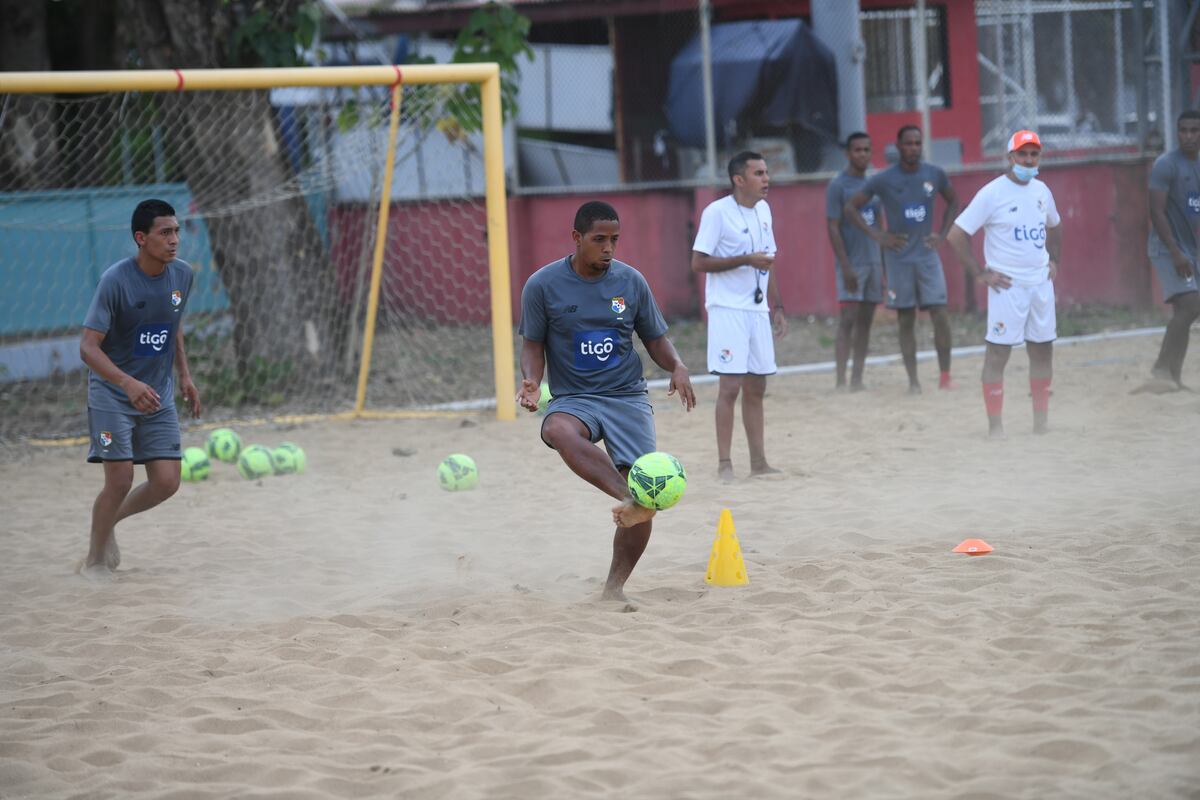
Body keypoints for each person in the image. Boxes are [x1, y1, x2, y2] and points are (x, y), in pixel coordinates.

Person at [517, 200, 696, 602]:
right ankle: (627, 497)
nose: (609, 248)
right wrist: (531, 379)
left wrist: (677, 365)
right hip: (577, 397)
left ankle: (613, 589)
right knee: (557, 428)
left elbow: (655, 338)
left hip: (627, 397)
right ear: (577, 238)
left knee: (648, 490)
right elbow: (532, 344)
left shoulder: (631, 282)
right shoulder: (542, 286)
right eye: (599, 239)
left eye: (615, 239)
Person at [79, 199, 201, 579]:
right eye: (165, 233)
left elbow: (172, 323)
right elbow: (87, 347)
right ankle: (95, 559)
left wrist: (184, 374)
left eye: (177, 231)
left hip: (158, 394)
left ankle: (109, 522)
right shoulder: (115, 281)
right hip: (113, 394)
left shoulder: (181, 275)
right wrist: (127, 383)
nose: (174, 240)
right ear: (141, 238)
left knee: (167, 482)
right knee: (120, 480)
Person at [947, 130, 1062, 437]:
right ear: (1010, 157)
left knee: (1042, 351)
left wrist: (1054, 261)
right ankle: (995, 427)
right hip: (1007, 287)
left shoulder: (1042, 191)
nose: (1028, 160)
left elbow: (1055, 225)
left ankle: (1041, 424)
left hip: (1040, 285)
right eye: (1022, 154)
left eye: (1033, 154)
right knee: (998, 353)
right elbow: (956, 235)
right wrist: (979, 273)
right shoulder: (992, 193)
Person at [691, 151, 787, 483]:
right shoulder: (716, 213)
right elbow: (698, 263)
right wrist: (745, 259)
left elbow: (769, 260)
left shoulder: (764, 210)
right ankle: (724, 464)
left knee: (757, 386)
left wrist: (778, 307)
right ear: (738, 179)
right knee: (729, 386)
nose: (766, 178)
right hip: (727, 310)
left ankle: (759, 462)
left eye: (766, 172)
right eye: (759, 173)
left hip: (757, 310)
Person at [846, 125, 960, 393]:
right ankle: (914, 382)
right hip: (898, 258)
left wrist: (942, 234)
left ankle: (945, 377)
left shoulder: (934, 173)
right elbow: (851, 208)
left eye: (918, 143)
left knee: (940, 314)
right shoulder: (883, 179)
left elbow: (954, 202)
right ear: (898, 147)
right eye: (908, 143)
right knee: (906, 318)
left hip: (927, 256)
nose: (913, 148)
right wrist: (879, 236)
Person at [1139, 110, 1200, 393]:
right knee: (1190, 305)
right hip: (1167, 248)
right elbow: (1157, 211)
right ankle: (1162, 369)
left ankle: (1171, 378)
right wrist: (1176, 252)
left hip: (1192, 248)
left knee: (1186, 312)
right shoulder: (1166, 165)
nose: (1188, 136)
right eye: (1183, 130)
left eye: (1194, 130)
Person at [826, 132, 884, 391]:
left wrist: (883, 266)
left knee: (866, 322)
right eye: (857, 150)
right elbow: (833, 226)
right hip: (852, 264)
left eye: (867, 149)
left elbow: (879, 227)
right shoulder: (838, 185)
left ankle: (857, 380)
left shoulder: (875, 184)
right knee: (847, 319)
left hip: (874, 264)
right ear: (848, 154)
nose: (863, 154)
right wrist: (845, 265)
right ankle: (840, 381)